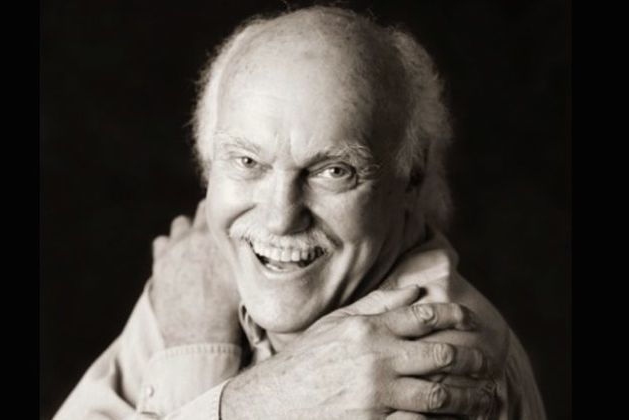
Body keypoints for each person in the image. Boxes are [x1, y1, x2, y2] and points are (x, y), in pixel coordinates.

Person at [54, 6, 545, 420]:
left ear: (410, 178)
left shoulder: (431, 366)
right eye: (248, 162)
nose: (279, 218)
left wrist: (205, 374)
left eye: (334, 171)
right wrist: (214, 359)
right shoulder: (204, 272)